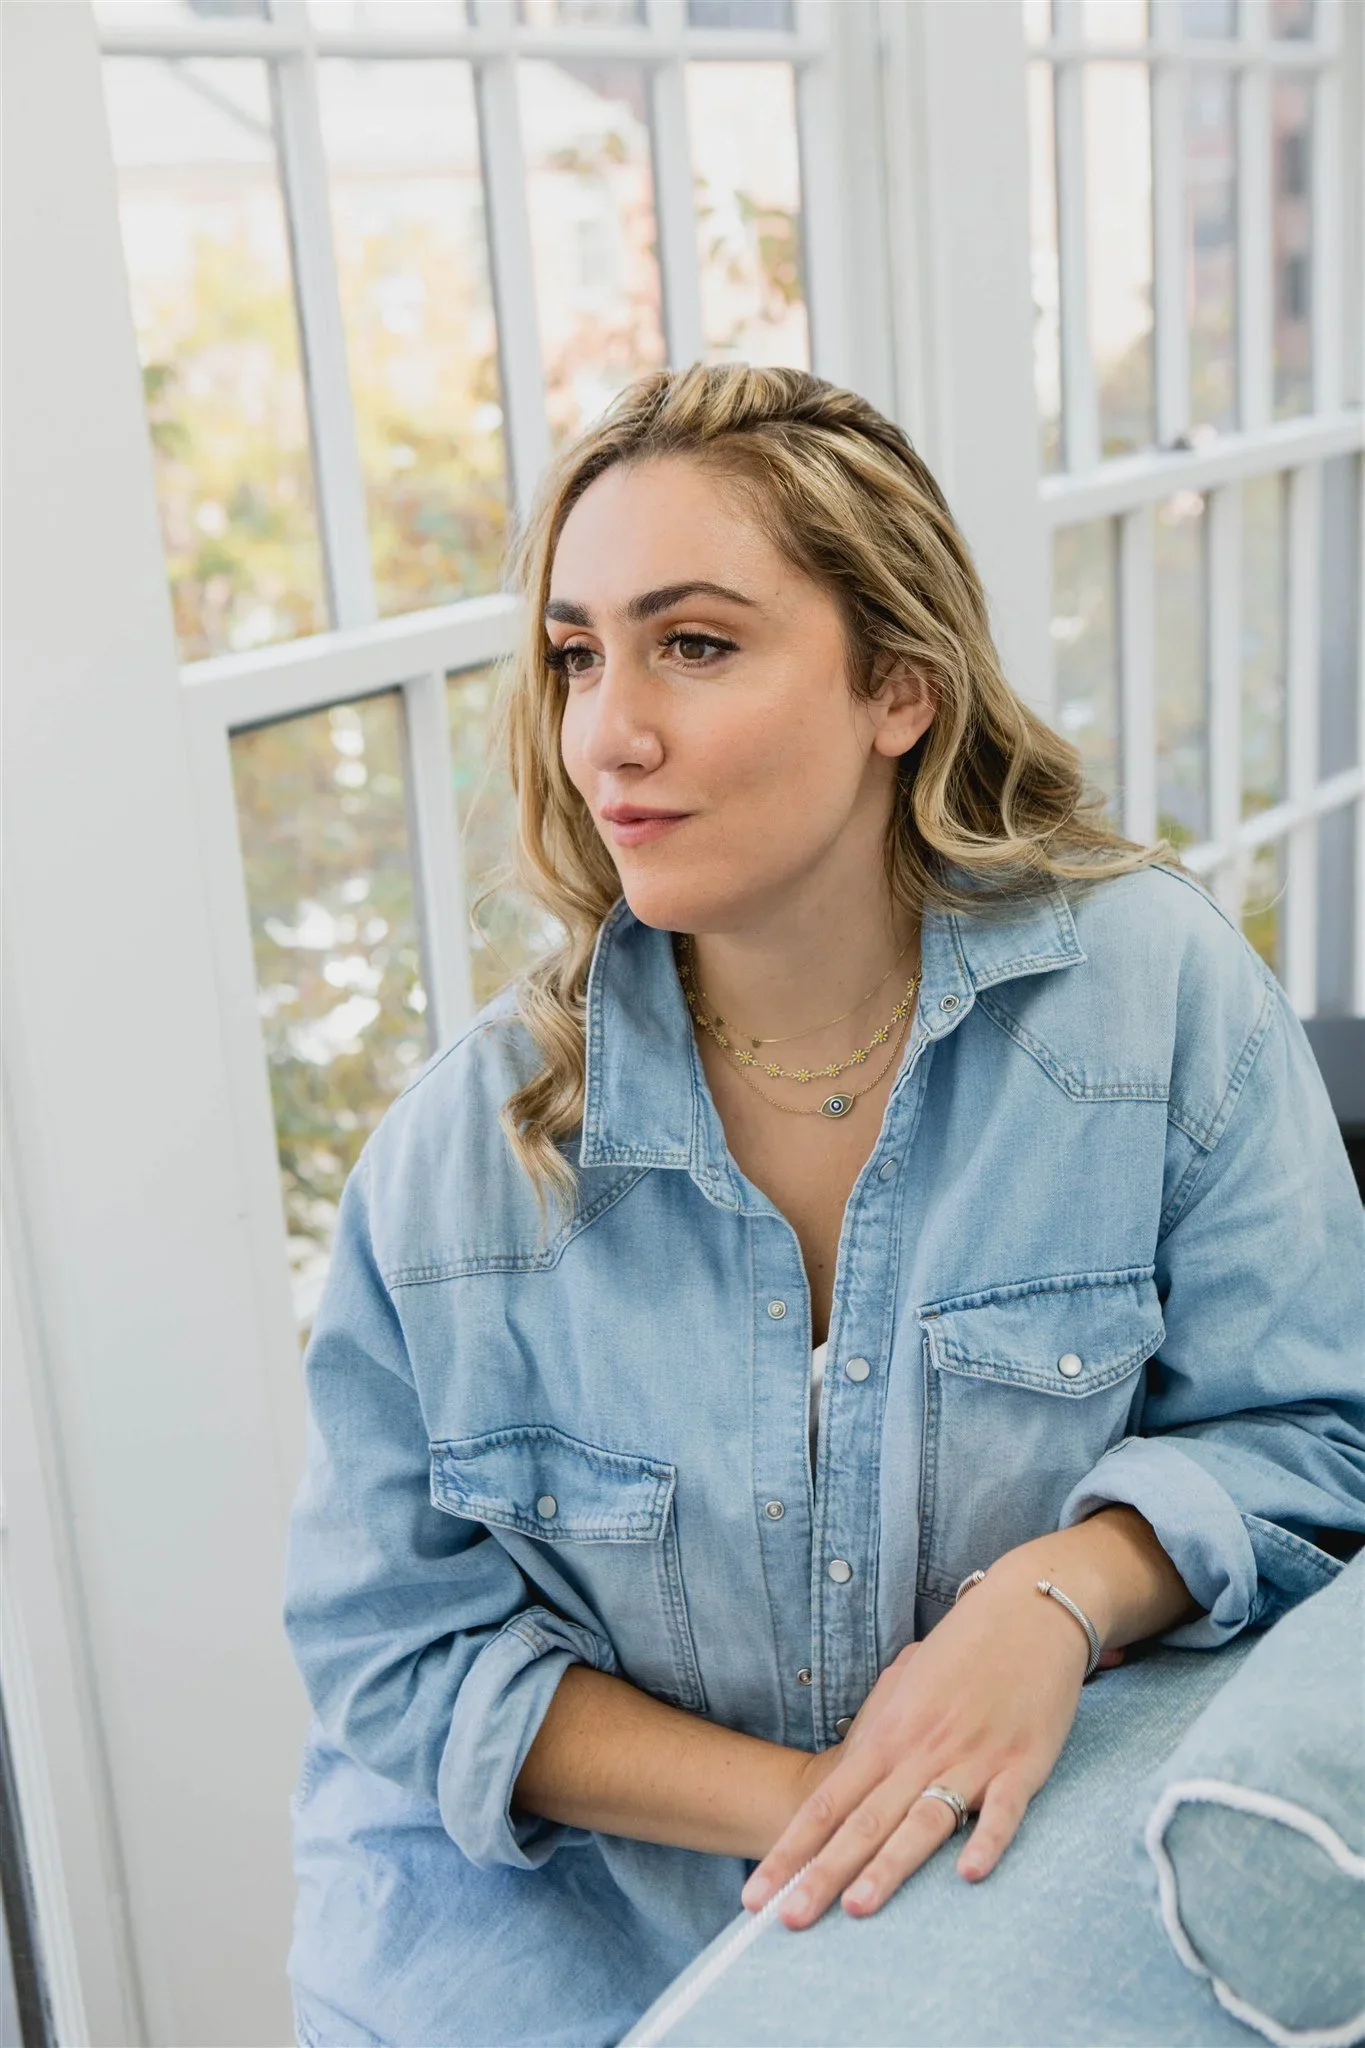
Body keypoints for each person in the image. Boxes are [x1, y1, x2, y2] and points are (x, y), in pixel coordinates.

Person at [282, 365, 1365, 2048]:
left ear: (900, 690)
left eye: (692, 645)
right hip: (550, 1952)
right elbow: (398, 1659)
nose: (606, 733)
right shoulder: (458, 1175)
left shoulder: (1150, 1002)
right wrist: (834, 1807)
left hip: (1010, 1902)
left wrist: (1059, 1593)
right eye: (577, 655)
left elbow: (1315, 1435)